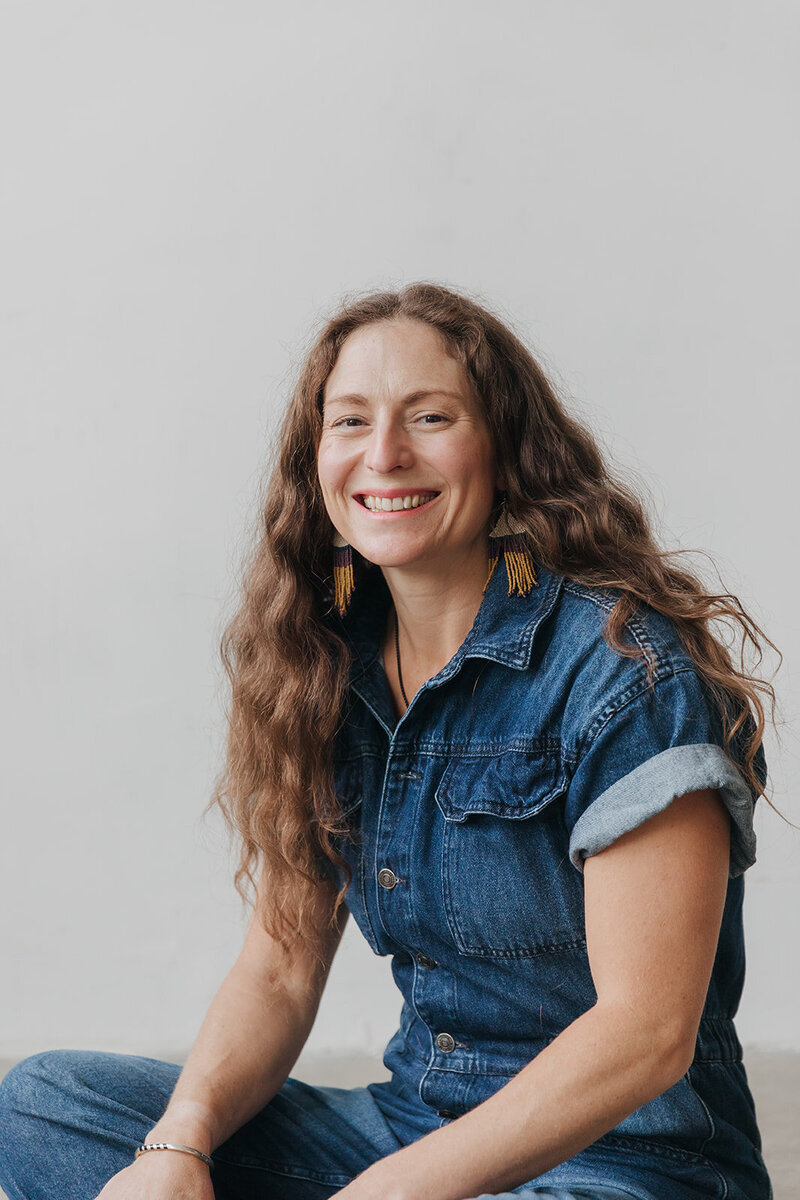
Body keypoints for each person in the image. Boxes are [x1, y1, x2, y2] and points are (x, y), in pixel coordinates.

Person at [0, 283, 779, 1200]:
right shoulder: (323, 670)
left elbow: (646, 1035)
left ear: (505, 451)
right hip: (417, 1125)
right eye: (350, 421)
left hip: (628, 1163)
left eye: (430, 416)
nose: (385, 455)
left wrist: (390, 1193)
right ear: (316, 459)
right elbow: (282, 969)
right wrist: (178, 1147)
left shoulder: (621, 670)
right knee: (45, 1105)